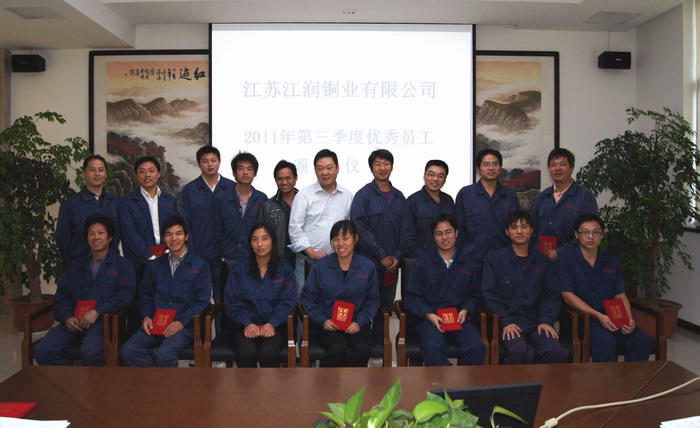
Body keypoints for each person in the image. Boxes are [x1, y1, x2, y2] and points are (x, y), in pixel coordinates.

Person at [35, 215, 135, 366]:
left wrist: (97, 312)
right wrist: (66, 317)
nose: (96, 237)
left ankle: (99, 381)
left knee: (90, 351)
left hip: (104, 323)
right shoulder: (75, 265)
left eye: (100, 233)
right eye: (91, 233)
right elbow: (62, 295)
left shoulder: (123, 265)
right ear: (87, 238)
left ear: (110, 238)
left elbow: (125, 297)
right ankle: (65, 380)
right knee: (43, 350)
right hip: (74, 321)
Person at [558, 214, 652, 362]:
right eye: (585, 232)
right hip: (584, 318)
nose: (590, 236)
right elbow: (567, 295)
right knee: (606, 342)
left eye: (596, 232)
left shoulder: (611, 261)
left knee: (641, 340)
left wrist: (628, 319)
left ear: (602, 235)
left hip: (612, 314)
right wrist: (598, 315)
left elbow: (620, 294)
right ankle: (604, 378)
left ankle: (633, 377)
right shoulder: (566, 260)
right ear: (577, 235)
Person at [121, 216, 212, 367]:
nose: (174, 238)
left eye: (178, 233)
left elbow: (202, 300)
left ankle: (164, 381)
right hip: (156, 322)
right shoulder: (155, 265)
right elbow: (145, 295)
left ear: (186, 236)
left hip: (186, 325)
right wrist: (146, 316)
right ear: (164, 238)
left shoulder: (200, 265)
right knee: (129, 350)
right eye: (169, 234)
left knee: (164, 355)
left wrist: (181, 322)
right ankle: (156, 380)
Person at [481, 210, 568, 364]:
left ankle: (548, 382)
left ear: (532, 230)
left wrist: (546, 320)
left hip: (537, 323)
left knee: (556, 352)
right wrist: (505, 322)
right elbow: (489, 295)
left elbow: (551, 295)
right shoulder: (494, 259)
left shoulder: (543, 262)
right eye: (514, 227)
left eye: (524, 227)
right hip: (508, 323)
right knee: (518, 351)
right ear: (507, 231)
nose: (519, 231)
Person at [404, 214, 485, 366]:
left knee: (476, 347)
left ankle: (467, 382)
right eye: (439, 234)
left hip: (460, 319)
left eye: (448, 232)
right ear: (434, 237)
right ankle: (439, 382)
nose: (444, 237)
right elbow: (412, 297)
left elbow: (475, 295)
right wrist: (429, 315)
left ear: (456, 233)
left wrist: (466, 309)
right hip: (431, 321)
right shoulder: (423, 263)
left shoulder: (469, 262)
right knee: (434, 347)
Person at [299, 220, 380, 367]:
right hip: (328, 324)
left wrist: (359, 323)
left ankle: (356, 383)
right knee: (337, 349)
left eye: (345, 238)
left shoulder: (368, 267)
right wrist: (323, 320)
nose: (341, 243)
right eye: (336, 239)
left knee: (361, 350)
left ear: (355, 239)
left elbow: (372, 301)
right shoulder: (320, 266)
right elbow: (307, 299)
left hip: (357, 323)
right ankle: (332, 382)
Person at [224, 222, 297, 367]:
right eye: (255, 239)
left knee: (268, 354)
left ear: (272, 241)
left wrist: (272, 323)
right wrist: (247, 323)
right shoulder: (239, 270)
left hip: (275, 326)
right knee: (246, 353)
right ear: (250, 243)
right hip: (243, 326)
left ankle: (270, 384)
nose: (259, 244)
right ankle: (247, 384)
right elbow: (232, 301)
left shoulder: (285, 270)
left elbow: (287, 302)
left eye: (264, 238)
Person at [289, 149, 353, 295]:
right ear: (315, 171)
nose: (325, 172)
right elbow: (294, 228)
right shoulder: (304, 195)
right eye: (320, 168)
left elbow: (350, 229)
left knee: (335, 302)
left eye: (329, 168)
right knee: (306, 302)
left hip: (338, 261)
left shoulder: (347, 196)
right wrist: (311, 252)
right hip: (308, 261)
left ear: (337, 169)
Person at [351, 149, 405, 313]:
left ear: (392, 167)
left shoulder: (399, 197)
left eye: (386, 163)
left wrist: (397, 257)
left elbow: (406, 230)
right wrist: (381, 256)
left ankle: (383, 332)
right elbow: (361, 229)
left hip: (392, 266)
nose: (382, 168)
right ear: (371, 168)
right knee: (365, 308)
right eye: (377, 164)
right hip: (369, 263)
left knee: (386, 308)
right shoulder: (363, 195)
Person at [179, 146, 235, 299]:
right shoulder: (190, 190)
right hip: (199, 253)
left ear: (219, 162)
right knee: (199, 297)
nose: (210, 164)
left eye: (213, 160)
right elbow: (185, 223)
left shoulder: (231, 187)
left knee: (226, 297)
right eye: (205, 161)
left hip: (227, 255)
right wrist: (191, 249)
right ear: (199, 164)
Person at [532, 148, 598, 261]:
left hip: (573, 261)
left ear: (571, 168)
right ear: (549, 169)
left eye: (562, 164)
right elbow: (534, 230)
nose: (557, 168)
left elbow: (589, 234)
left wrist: (559, 252)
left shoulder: (584, 197)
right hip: (543, 261)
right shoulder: (543, 196)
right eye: (553, 165)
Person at [118, 156, 178, 281]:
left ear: (159, 173)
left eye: (151, 171)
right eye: (142, 171)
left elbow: (175, 228)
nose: (147, 175)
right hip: (139, 262)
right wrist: (149, 255)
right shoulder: (127, 202)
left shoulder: (169, 200)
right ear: (136, 175)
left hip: (167, 259)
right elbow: (129, 234)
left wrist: (168, 252)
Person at [455, 149, 520, 260]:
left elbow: (516, 229)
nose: (491, 168)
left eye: (495, 164)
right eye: (486, 164)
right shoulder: (465, 194)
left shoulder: (510, 195)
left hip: (503, 259)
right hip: (472, 260)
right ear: (478, 168)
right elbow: (458, 231)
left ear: (500, 167)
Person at [55, 155, 120, 265]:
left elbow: (118, 235)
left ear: (106, 174)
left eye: (101, 170)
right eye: (92, 170)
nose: (97, 174)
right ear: (84, 173)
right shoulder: (71, 204)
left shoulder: (115, 202)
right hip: (79, 265)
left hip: (110, 265)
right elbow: (62, 239)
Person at [213, 151, 267, 275]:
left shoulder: (261, 198)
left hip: (254, 259)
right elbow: (216, 229)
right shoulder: (221, 198)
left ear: (255, 173)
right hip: (227, 258)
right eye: (241, 168)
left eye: (250, 169)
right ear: (234, 173)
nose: (245, 172)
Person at [400, 159, 455, 259]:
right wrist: (427, 259)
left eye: (440, 176)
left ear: (445, 179)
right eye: (431, 175)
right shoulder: (413, 201)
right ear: (424, 176)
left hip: (447, 260)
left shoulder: (448, 200)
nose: (435, 179)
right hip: (421, 260)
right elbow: (407, 239)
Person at [257, 160, 298, 268]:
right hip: (277, 261)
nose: (284, 182)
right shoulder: (267, 206)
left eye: (288, 178)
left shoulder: (306, 202)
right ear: (275, 181)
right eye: (280, 179)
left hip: (303, 259)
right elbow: (261, 235)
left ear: (295, 178)